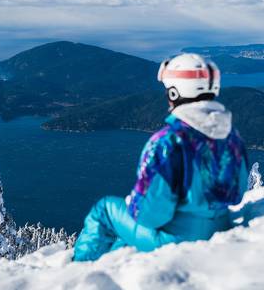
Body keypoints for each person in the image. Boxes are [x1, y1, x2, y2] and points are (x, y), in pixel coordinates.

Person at [73, 53, 249, 261]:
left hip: (176, 240)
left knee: (105, 210)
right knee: (124, 237)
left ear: (175, 92)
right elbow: (238, 193)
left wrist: (134, 204)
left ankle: (79, 272)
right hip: (220, 228)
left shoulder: (167, 142)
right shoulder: (231, 137)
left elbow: (150, 216)